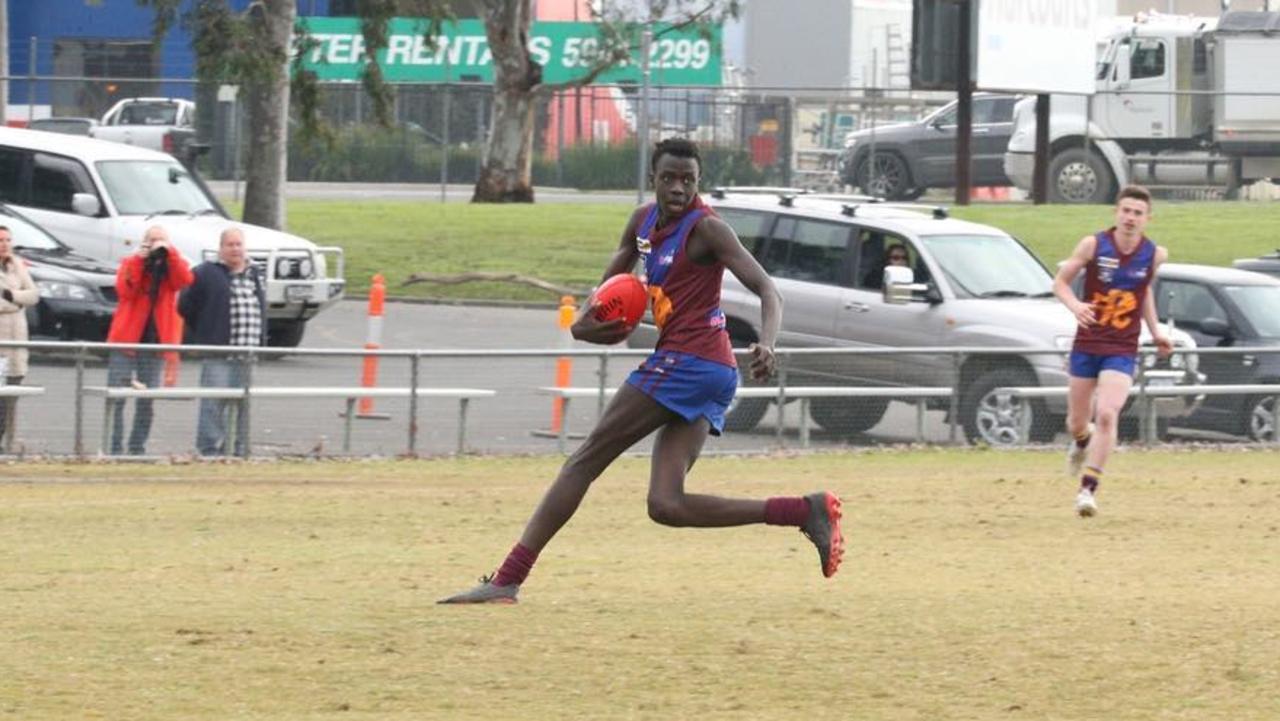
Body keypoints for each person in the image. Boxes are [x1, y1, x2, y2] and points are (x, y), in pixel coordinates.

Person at [439, 138, 845, 605]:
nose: (678, 188)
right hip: (706, 368)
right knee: (666, 505)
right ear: (653, 178)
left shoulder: (709, 229)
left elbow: (768, 290)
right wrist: (592, 324)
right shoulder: (641, 223)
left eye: (688, 180)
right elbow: (600, 301)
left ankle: (507, 579)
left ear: (698, 183)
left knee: (583, 461)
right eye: (669, 178)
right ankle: (803, 510)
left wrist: (768, 342)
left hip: (690, 364)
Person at [1053, 185, 1170, 517]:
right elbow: (1059, 283)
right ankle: (1080, 441)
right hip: (1087, 343)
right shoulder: (1093, 244)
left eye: (1138, 213)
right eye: (1126, 211)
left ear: (1148, 218)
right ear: (1116, 213)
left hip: (1122, 347)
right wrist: (1076, 305)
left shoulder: (1154, 254)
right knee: (1077, 420)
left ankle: (1087, 490)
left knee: (1106, 413)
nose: (1130, 218)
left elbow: (1143, 292)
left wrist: (1156, 331)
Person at [103, 225, 193, 455]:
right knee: (117, 396)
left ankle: (137, 448)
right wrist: (138, 261)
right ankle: (113, 448)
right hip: (126, 340)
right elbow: (125, 291)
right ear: (144, 243)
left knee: (147, 400)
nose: (156, 245)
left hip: (155, 342)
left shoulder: (172, 266)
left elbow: (184, 280)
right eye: (152, 241)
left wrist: (170, 253)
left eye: (160, 240)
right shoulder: (131, 262)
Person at [179, 227, 266, 457]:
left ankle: (238, 449)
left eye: (239, 244)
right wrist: (207, 330)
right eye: (230, 244)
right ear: (221, 249)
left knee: (242, 404)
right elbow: (186, 305)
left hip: (247, 355)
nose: (235, 249)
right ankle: (209, 450)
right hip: (219, 353)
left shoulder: (255, 273)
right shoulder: (207, 272)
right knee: (213, 404)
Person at [0, 225, 40, 450]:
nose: (4, 244)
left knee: (11, 399)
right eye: (0, 240)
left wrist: (12, 296)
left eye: (8, 239)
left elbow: (33, 295)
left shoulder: (17, 265)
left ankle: (9, 445)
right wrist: (16, 301)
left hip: (17, 342)